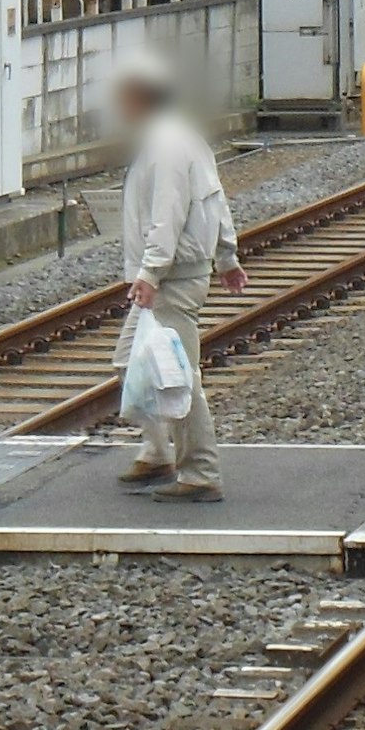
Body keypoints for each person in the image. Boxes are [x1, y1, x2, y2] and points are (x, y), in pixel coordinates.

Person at [113, 50, 245, 500]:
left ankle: (200, 473)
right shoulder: (181, 137)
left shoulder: (166, 145)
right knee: (130, 362)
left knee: (177, 376)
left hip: (172, 275)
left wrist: (150, 271)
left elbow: (167, 215)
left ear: (140, 97)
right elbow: (216, 200)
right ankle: (157, 452)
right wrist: (226, 256)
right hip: (172, 271)